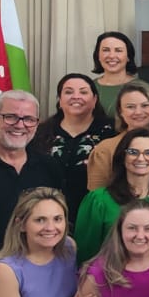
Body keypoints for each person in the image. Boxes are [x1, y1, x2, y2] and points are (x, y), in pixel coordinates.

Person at [75, 129, 149, 263]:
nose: (141, 158)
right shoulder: (98, 200)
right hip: (109, 276)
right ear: (122, 158)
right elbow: (85, 254)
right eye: (133, 152)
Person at [32, 73, 116, 222]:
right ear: (60, 100)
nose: (76, 96)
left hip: (95, 216)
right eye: (69, 92)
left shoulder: (111, 132)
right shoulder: (40, 133)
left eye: (83, 92)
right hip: (45, 215)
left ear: (95, 99)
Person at [86, 81, 149, 190]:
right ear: (120, 111)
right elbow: (97, 198)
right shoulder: (105, 150)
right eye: (130, 107)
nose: (138, 112)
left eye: (145, 105)